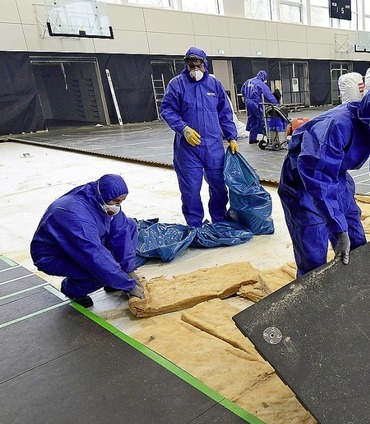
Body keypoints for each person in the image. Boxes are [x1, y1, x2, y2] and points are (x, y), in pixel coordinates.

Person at [278, 79, 370, 278]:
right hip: (302, 178)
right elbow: (318, 176)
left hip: (336, 175)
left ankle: (353, 287)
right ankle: (313, 298)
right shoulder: (337, 124)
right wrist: (337, 227)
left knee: (355, 238)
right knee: (313, 247)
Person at [30, 174, 144, 308]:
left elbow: (121, 231)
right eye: (116, 201)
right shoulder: (75, 215)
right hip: (55, 255)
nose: (118, 205)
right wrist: (128, 285)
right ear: (104, 197)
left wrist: (128, 269)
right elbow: (93, 255)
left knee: (129, 225)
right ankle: (72, 290)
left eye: (121, 201)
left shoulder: (104, 199)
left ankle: (112, 281)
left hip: (85, 243)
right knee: (97, 272)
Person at [160, 46, 239, 227]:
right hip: (188, 148)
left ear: (205, 64)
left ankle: (219, 219)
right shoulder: (177, 84)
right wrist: (184, 129)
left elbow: (224, 113)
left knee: (219, 186)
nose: (195, 68)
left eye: (199, 64)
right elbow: (167, 109)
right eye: (191, 64)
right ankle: (195, 224)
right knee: (190, 189)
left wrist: (231, 136)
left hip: (213, 146)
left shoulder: (214, 85)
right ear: (186, 64)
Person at [241, 70, 279, 144]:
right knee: (263, 118)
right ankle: (269, 137)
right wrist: (276, 104)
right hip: (255, 103)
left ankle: (252, 138)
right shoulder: (260, 84)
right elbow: (268, 95)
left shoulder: (248, 81)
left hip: (248, 102)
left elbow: (242, 91)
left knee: (252, 119)